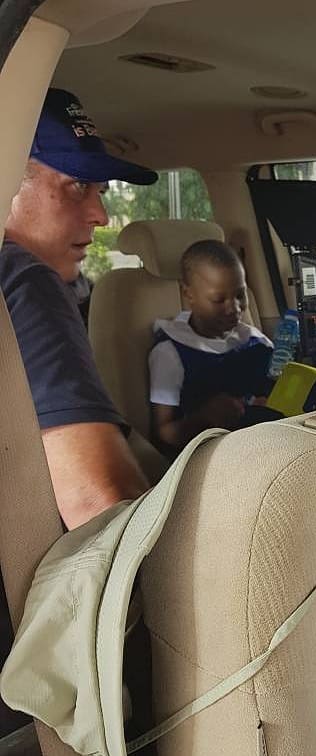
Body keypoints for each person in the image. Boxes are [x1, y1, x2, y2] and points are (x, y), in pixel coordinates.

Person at [0, 87, 158, 530]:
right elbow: (100, 505)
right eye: (78, 185)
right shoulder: (23, 278)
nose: (101, 215)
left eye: (101, 191)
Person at [148, 239, 281, 454]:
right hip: (207, 456)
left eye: (240, 295)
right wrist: (203, 418)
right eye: (219, 300)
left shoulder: (256, 342)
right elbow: (164, 433)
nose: (234, 308)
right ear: (188, 294)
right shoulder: (171, 353)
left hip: (262, 445)